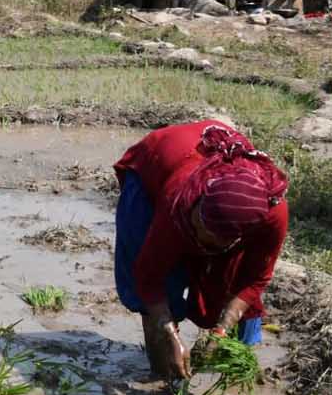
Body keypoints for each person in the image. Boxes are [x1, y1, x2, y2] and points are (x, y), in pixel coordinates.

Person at [113, 119, 289, 380]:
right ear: (199, 202)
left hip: (224, 202)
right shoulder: (180, 200)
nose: (195, 237)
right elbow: (148, 276)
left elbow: (255, 278)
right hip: (158, 162)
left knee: (235, 276)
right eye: (196, 227)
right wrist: (169, 333)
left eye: (206, 238)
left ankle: (241, 363)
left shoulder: (272, 215)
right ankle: (164, 375)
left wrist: (221, 330)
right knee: (160, 284)